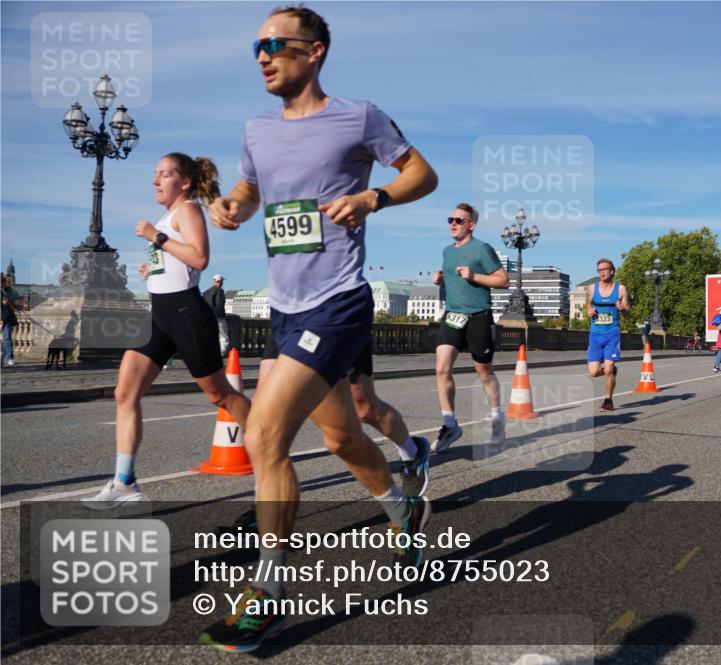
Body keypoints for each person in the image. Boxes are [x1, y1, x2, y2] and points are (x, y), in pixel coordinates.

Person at [200, 5, 438, 652]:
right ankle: (402, 507)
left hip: (338, 300)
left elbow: (422, 172)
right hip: (285, 305)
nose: (262, 55)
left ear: (315, 51)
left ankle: (267, 593)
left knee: (265, 433)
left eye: (276, 44)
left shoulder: (357, 116)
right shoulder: (257, 128)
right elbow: (253, 188)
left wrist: (373, 197)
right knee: (339, 437)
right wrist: (233, 208)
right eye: (257, 46)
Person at [82, 153, 252, 509]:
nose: (155, 180)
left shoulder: (188, 210)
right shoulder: (168, 215)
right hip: (159, 316)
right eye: (155, 173)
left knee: (221, 396)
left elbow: (200, 258)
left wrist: (155, 237)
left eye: (163, 174)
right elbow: (178, 260)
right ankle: (125, 482)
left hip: (187, 315)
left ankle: (270, 438)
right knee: (124, 393)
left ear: (185, 182)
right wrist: (153, 268)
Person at [259, 332, 431, 496]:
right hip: (285, 315)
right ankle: (263, 507)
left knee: (364, 409)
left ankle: (412, 454)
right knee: (264, 413)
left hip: (334, 313)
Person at [431, 203, 510, 450]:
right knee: (441, 368)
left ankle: (497, 415)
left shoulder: (482, 249)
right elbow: (452, 287)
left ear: (471, 225)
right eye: (450, 219)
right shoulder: (446, 252)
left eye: (459, 220)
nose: (453, 224)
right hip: (453, 316)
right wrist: (440, 281)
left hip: (478, 316)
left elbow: (503, 281)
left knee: (484, 371)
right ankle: (450, 424)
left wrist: (474, 276)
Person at [586, 258, 630, 411]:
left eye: (605, 269)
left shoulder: (620, 289)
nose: (602, 272)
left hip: (612, 333)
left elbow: (627, 312)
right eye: (599, 270)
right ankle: (610, 371)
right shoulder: (592, 288)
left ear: (612, 271)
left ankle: (608, 400)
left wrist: (622, 308)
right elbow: (589, 304)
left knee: (608, 368)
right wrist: (589, 310)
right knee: (594, 372)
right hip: (595, 334)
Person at [202, 274, 229, 356]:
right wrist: (221, 315)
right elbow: (219, 304)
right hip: (218, 317)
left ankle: (208, 354)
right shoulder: (220, 291)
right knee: (224, 338)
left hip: (207, 317)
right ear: (220, 281)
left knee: (210, 337)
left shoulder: (206, 292)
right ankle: (220, 355)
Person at [1, 275, 17, 367]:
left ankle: (9, 358)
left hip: (5, 316)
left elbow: (12, 302)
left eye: (2, 283)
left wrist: (9, 302)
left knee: (7, 338)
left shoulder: (8, 290)